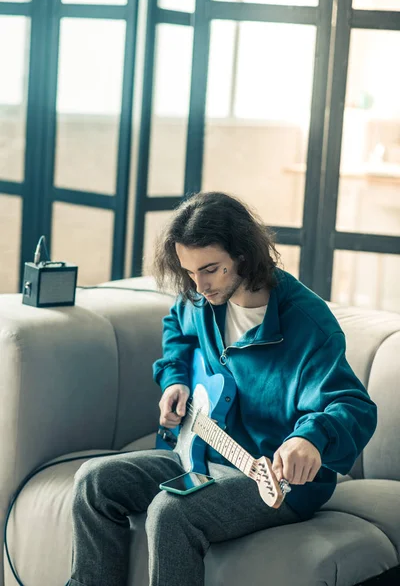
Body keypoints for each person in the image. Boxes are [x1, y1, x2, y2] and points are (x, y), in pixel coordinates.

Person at [69, 191, 377, 586]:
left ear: (243, 256)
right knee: (93, 483)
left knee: (170, 511)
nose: (199, 286)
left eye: (211, 270)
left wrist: (311, 440)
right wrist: (175, 380)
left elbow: (352, 405)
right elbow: (176, 332)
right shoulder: (201, 302)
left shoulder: (308, 324)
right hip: (198, 457)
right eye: (190, 273)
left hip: (273, 483)